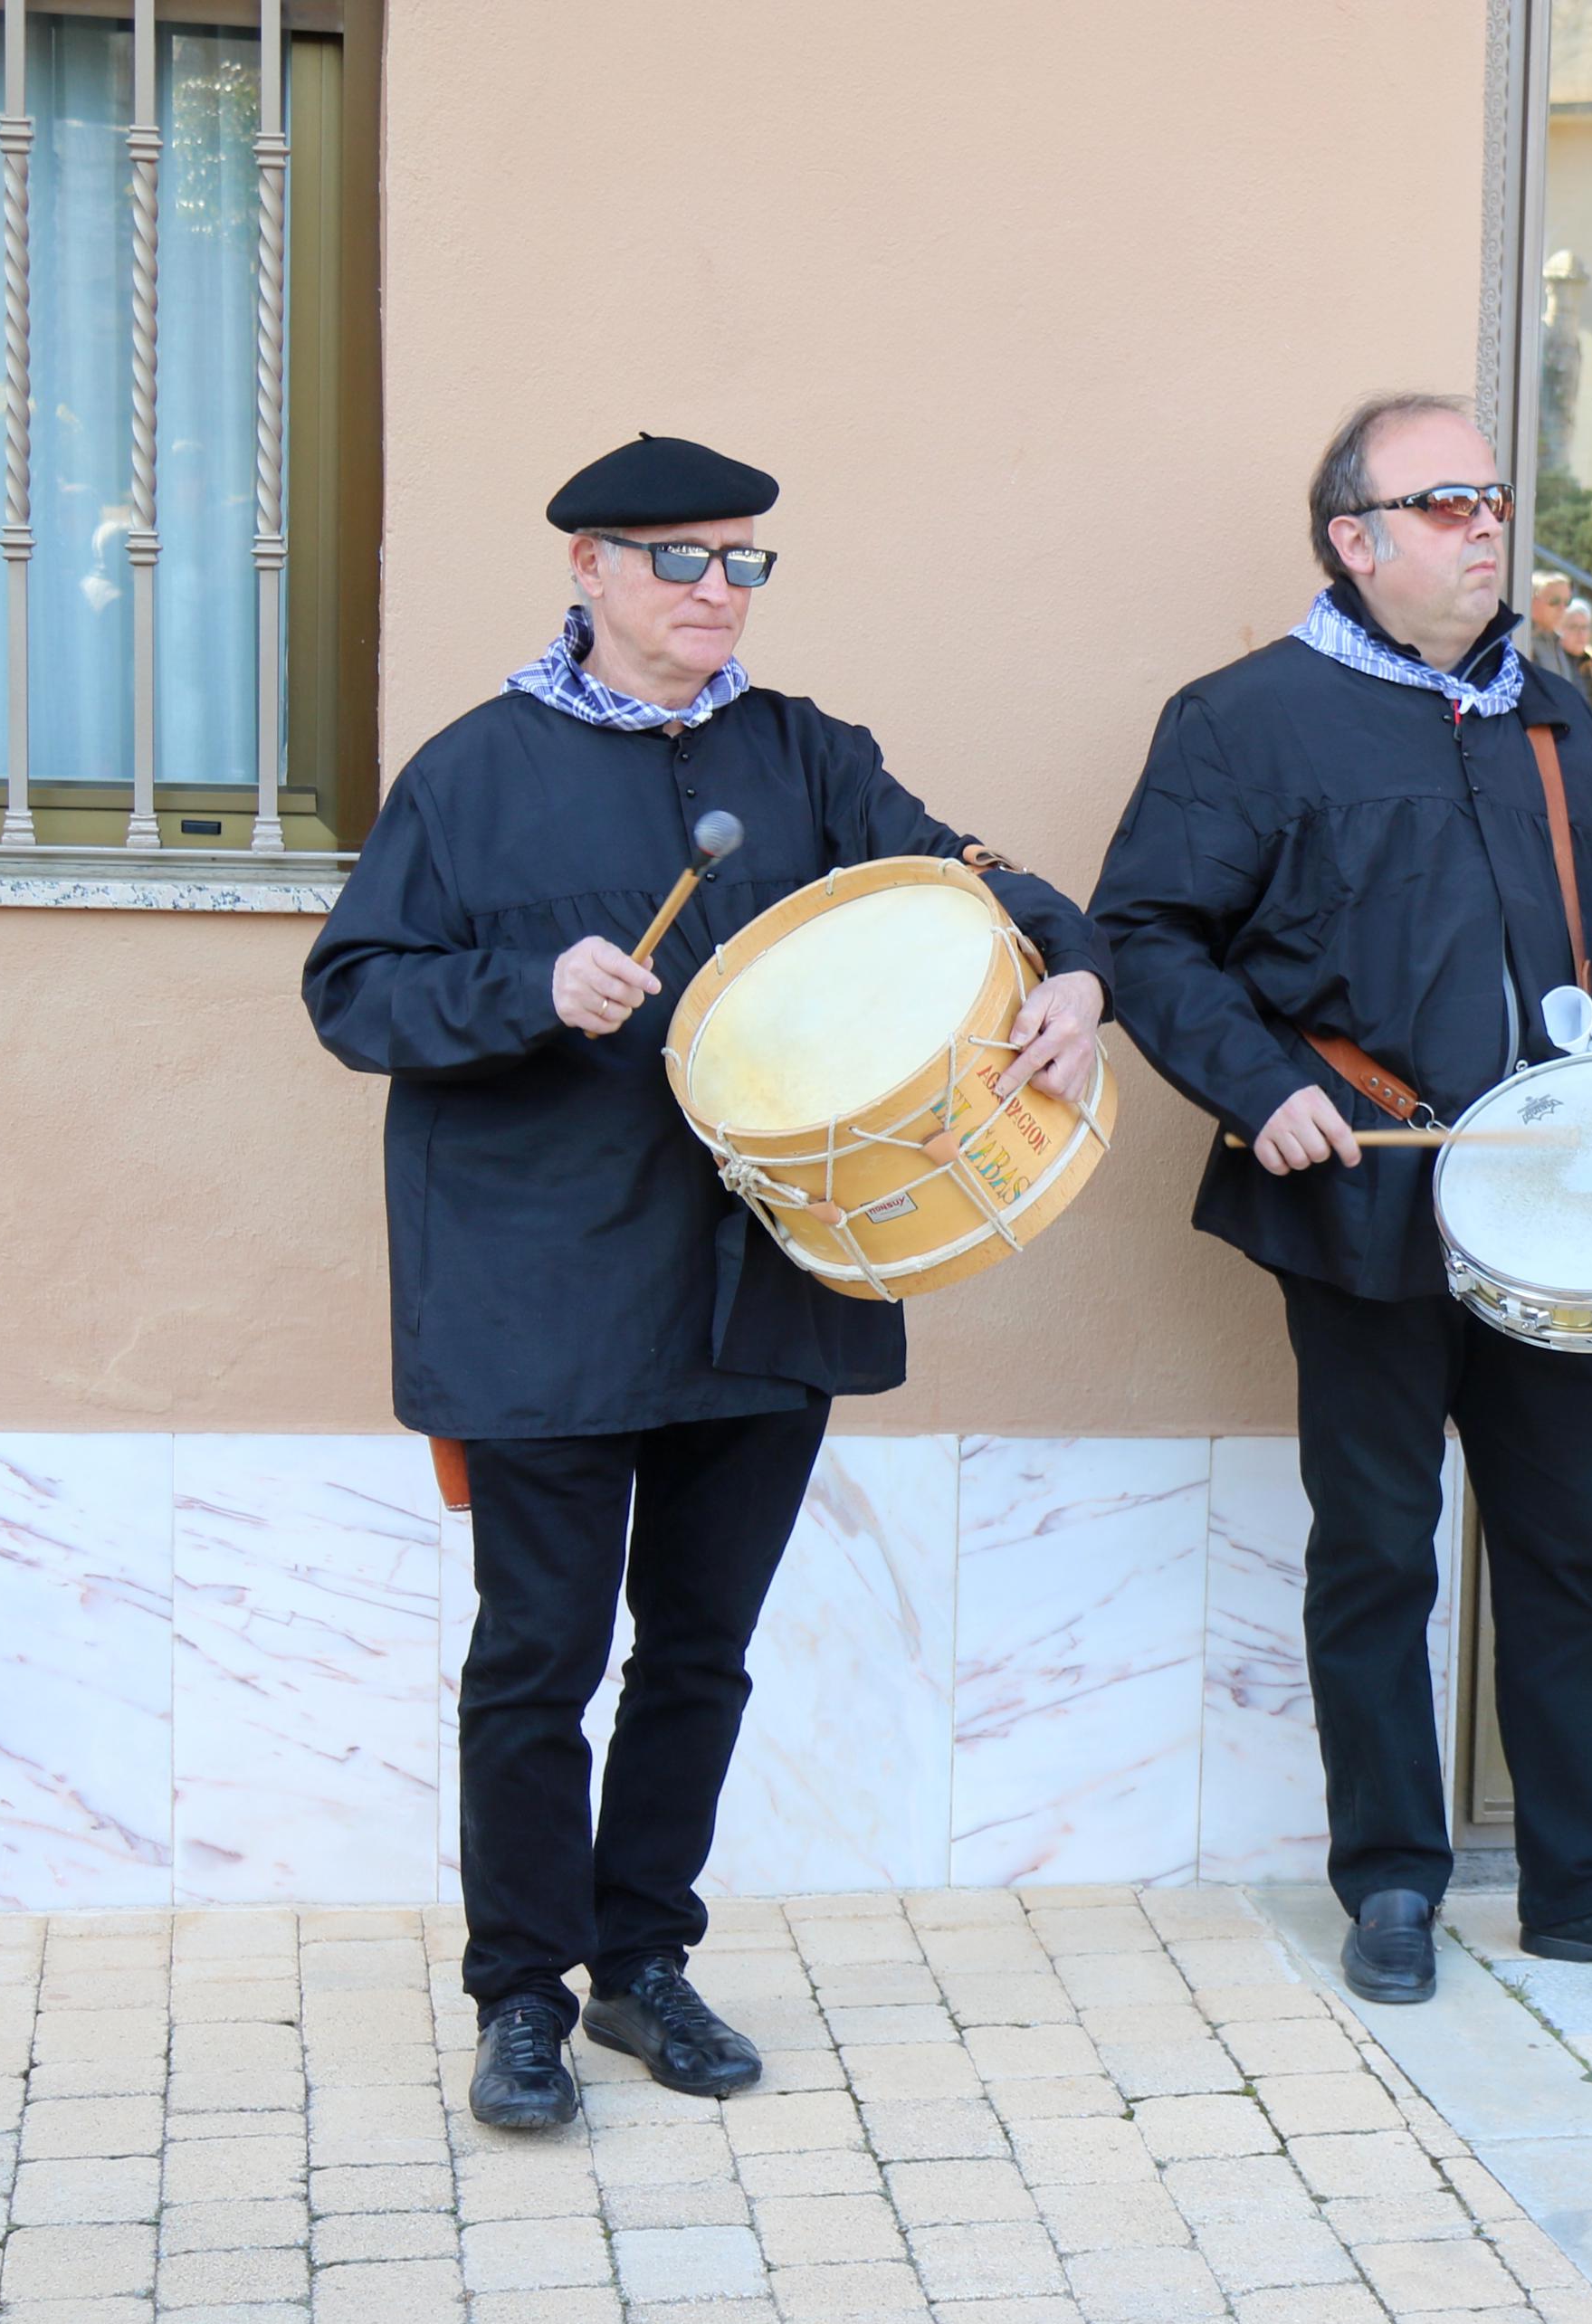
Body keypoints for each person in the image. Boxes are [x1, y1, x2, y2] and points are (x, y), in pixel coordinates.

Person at [303, 433, 1111, 2131]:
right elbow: (356, 992)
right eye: (680, 561)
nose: (715, 594)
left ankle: (640, 1963)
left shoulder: (810, 756)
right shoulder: (470, 773)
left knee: (700, 1651)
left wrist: (1074, 966)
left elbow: (957, 876)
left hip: (764, 1284)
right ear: (586, 571)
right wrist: (527, 987)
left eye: (742, 562)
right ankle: (520, 1993)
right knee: (537, 1658)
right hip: (543, 1289)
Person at [1090, 393, 1592, 2006]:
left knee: (1564, 1550)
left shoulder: (1550, 712)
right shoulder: (1243, 722)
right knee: (1379, 1551)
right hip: (1367, 1202)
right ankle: (1390, 1883)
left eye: (1491, 501)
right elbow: (1145, 936)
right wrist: (1262, 1091)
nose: (1483, 529)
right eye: (1444, 504)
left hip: (1558, 1204)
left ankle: (1586, 1887)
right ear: (1353, 539)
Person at [1521, 568, 1578, 681]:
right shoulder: (1523, 640)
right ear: (1532, 601)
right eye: (1555, 601)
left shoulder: (1557, 642)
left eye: (1567, 602)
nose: (1562, 609)